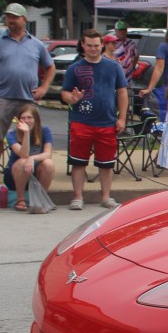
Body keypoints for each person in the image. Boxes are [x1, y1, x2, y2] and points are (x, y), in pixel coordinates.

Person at [0, 3, 55, 168]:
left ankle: (28, 169)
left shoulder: (36, 44)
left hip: (28, 98)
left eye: (15, 17)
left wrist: (44, 88)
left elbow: (50, 67)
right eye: (9, 17)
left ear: (24, 19)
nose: (11, 20)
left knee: (31, 136)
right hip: (3, 97)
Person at [61, 28, 129, 210]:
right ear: (83, 45)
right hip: (81, 121)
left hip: (107, 122)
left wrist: (122, 118)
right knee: (78, 161)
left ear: (102, 45)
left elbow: (122, 92)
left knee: (106, 163)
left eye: (96, 45)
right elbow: (65, 92)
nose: (93, 49)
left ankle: (106, 196)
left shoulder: (113, 66)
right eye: (89, 45)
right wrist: (72, 99)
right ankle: (77, 197)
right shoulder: (74, 68)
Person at [4, 104, 54, 210]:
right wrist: (26, 133)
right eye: (23, 118)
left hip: (35, 173)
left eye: (29, 117)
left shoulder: (45, 131)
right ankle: (20, 200)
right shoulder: (12, 134)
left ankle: (41, 199)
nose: (26, 121)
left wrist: (32, 158)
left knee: (48, 163)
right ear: (18, 120)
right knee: (23, 161)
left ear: (36, 119)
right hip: (15, 176)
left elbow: (48, 153)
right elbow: (24, 154)